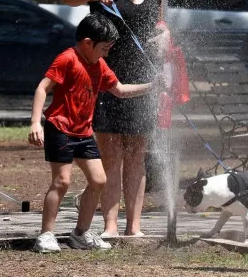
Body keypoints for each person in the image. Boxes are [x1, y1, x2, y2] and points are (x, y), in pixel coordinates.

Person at [62, 0, 169, 238]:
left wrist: (163, 34)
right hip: (105, 75)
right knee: (110, 154)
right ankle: (109, 227)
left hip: (143, 76)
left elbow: (160, 20)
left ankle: (133, 228)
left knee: (137, 154)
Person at [28, 13, 158, 253]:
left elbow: (119, 90)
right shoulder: (68, 59)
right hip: (60, 127)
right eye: (104, 48)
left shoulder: (99, 64)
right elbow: (42, 88)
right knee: (62, 181)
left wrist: (152, 87)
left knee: (99, 180)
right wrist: (36, 122)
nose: (106, 53)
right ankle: (46, 235)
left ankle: (80, 233)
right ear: (87, 43)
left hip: (83, 132)